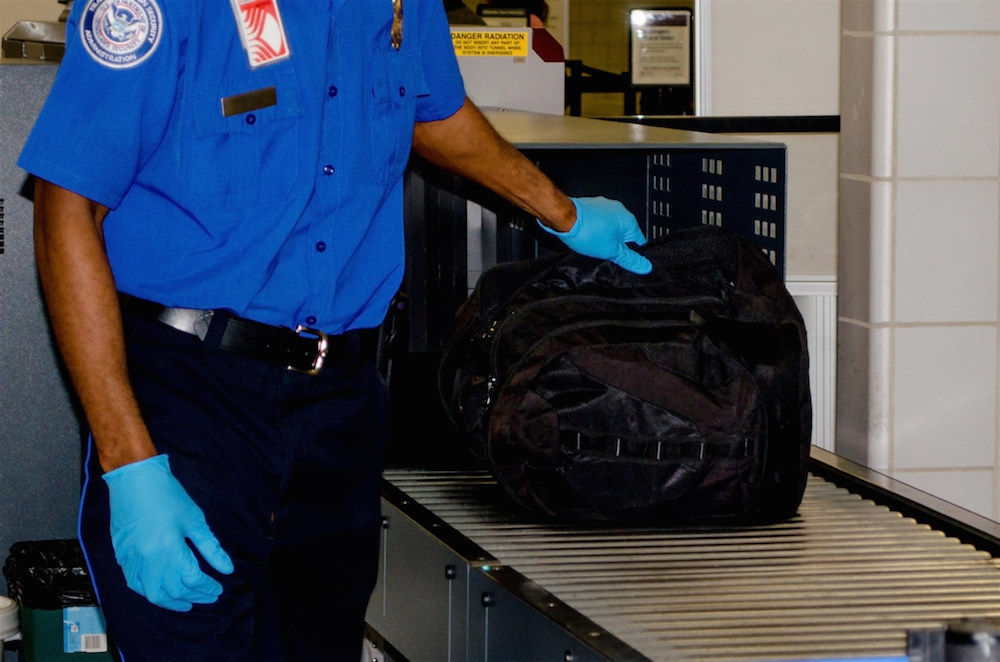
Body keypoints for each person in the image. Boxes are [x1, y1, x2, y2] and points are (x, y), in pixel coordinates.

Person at [19, 0, 652, 659]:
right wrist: (129, 464)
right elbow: (68, 206)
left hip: (340, 403)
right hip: (191, 396)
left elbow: (431, 112)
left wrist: (564, 213)